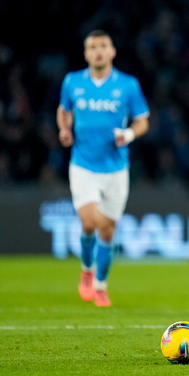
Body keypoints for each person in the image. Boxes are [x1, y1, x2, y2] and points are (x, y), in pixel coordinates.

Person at [57, 29, 150, 307]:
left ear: (112, 52)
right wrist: (64, 128)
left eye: (103, 46)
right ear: (86, 53)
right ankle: (87, 271)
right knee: (89, 222)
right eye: (92, 47)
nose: (98, 51)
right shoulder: (72, 82)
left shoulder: (128, 85)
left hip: (116, 168)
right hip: (83, 164)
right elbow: (64, 109)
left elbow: (142, 120)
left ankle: (100, 284)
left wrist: (128, 135)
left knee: (107, 230)